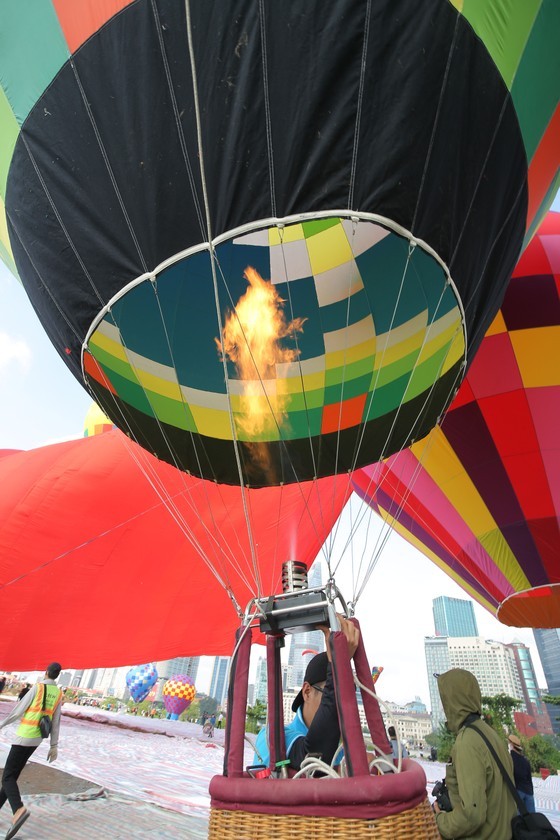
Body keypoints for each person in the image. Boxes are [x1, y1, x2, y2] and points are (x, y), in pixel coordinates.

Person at [254, 616, 360, 771]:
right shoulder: (274, 736)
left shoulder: (341, 752)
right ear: (307, 692)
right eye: (332, 691)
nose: (339, 703)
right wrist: (337, 667)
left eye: (345, 696)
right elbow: (313, 757)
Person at [433, 668, 517, 840]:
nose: (444, 708)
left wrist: (439, 819)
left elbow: (472, 815)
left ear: (453, 701)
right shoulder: (489, 734)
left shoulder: (467, 742)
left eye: (445, 700)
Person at [0, 662, 63, 840]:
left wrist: (2, 724)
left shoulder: (38, 688)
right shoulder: (58, 693)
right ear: (57, 675)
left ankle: (18, 809)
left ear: (46, 673)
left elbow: (18, 710)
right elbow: (56, 721)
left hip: (24, 735)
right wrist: (53, 745)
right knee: (12, 774)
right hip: (37, 739)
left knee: (8, 777)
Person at [508, 733, 535, 813]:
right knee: (531, 819)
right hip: (529, 792)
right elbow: (529, 778)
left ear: (511, 744)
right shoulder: (525, 761)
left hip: (518, 791)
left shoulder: (510, 759)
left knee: (518, 821)